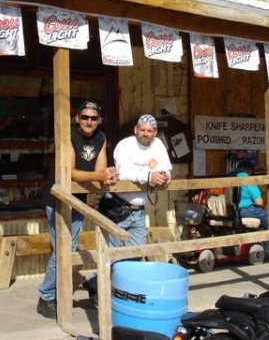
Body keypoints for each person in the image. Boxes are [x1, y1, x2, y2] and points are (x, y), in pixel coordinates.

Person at [36, 101, 117, 319]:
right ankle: (46, 297)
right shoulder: (68, 135)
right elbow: (70, 171)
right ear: (77, 118)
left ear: (99, 121)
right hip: (57, 200)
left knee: (66, 249)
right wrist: (99, 176)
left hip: (79, 200)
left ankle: (57, 292)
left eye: (93, 118)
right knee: (63, 250)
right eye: (84, 117)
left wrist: (106, 175)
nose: (89, 121)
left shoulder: (101, 138)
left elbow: (100, 168)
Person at [84, 114, 172, 308]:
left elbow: (166, 168)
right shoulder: (125, 145)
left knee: (135, 254)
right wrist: (149, 176)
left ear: (155, 132)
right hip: (117, 207)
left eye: (150, 131)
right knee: (116, 257)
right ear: (135, 130)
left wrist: (165, 177)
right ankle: (103, 290)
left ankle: (100, 284)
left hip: (139, 210)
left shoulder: (158, 145)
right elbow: (122, 173)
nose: (146, 134)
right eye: (143, 130)